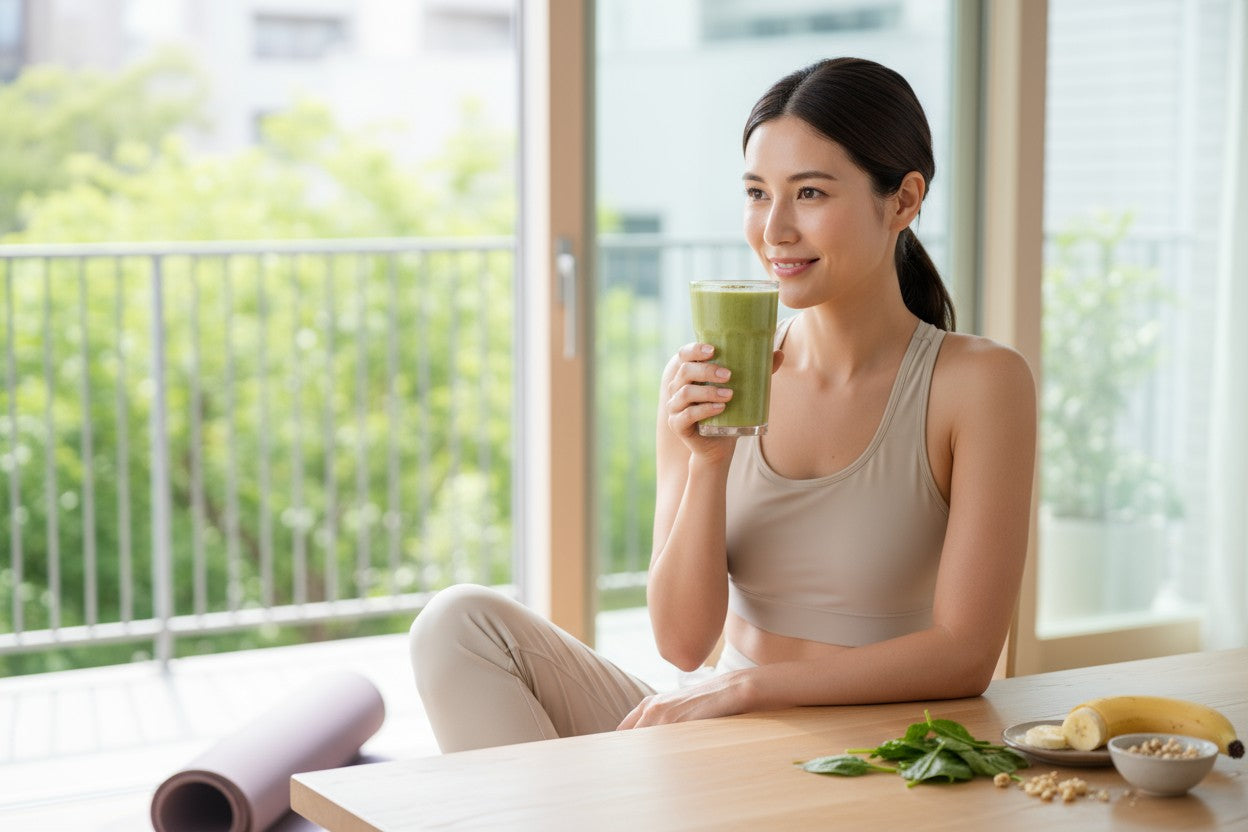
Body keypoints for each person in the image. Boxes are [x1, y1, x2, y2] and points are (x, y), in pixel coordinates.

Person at [408, 57, 1036, 753]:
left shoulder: (979, 384)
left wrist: (751, 688)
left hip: (870, 754)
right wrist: (708, 463)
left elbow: (964, 656)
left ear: (904, 200)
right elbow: (682, 644)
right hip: (718, 737)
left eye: (810, 193)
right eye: (757, 193)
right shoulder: (712, 378)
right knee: (456, 624)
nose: (775, 229)